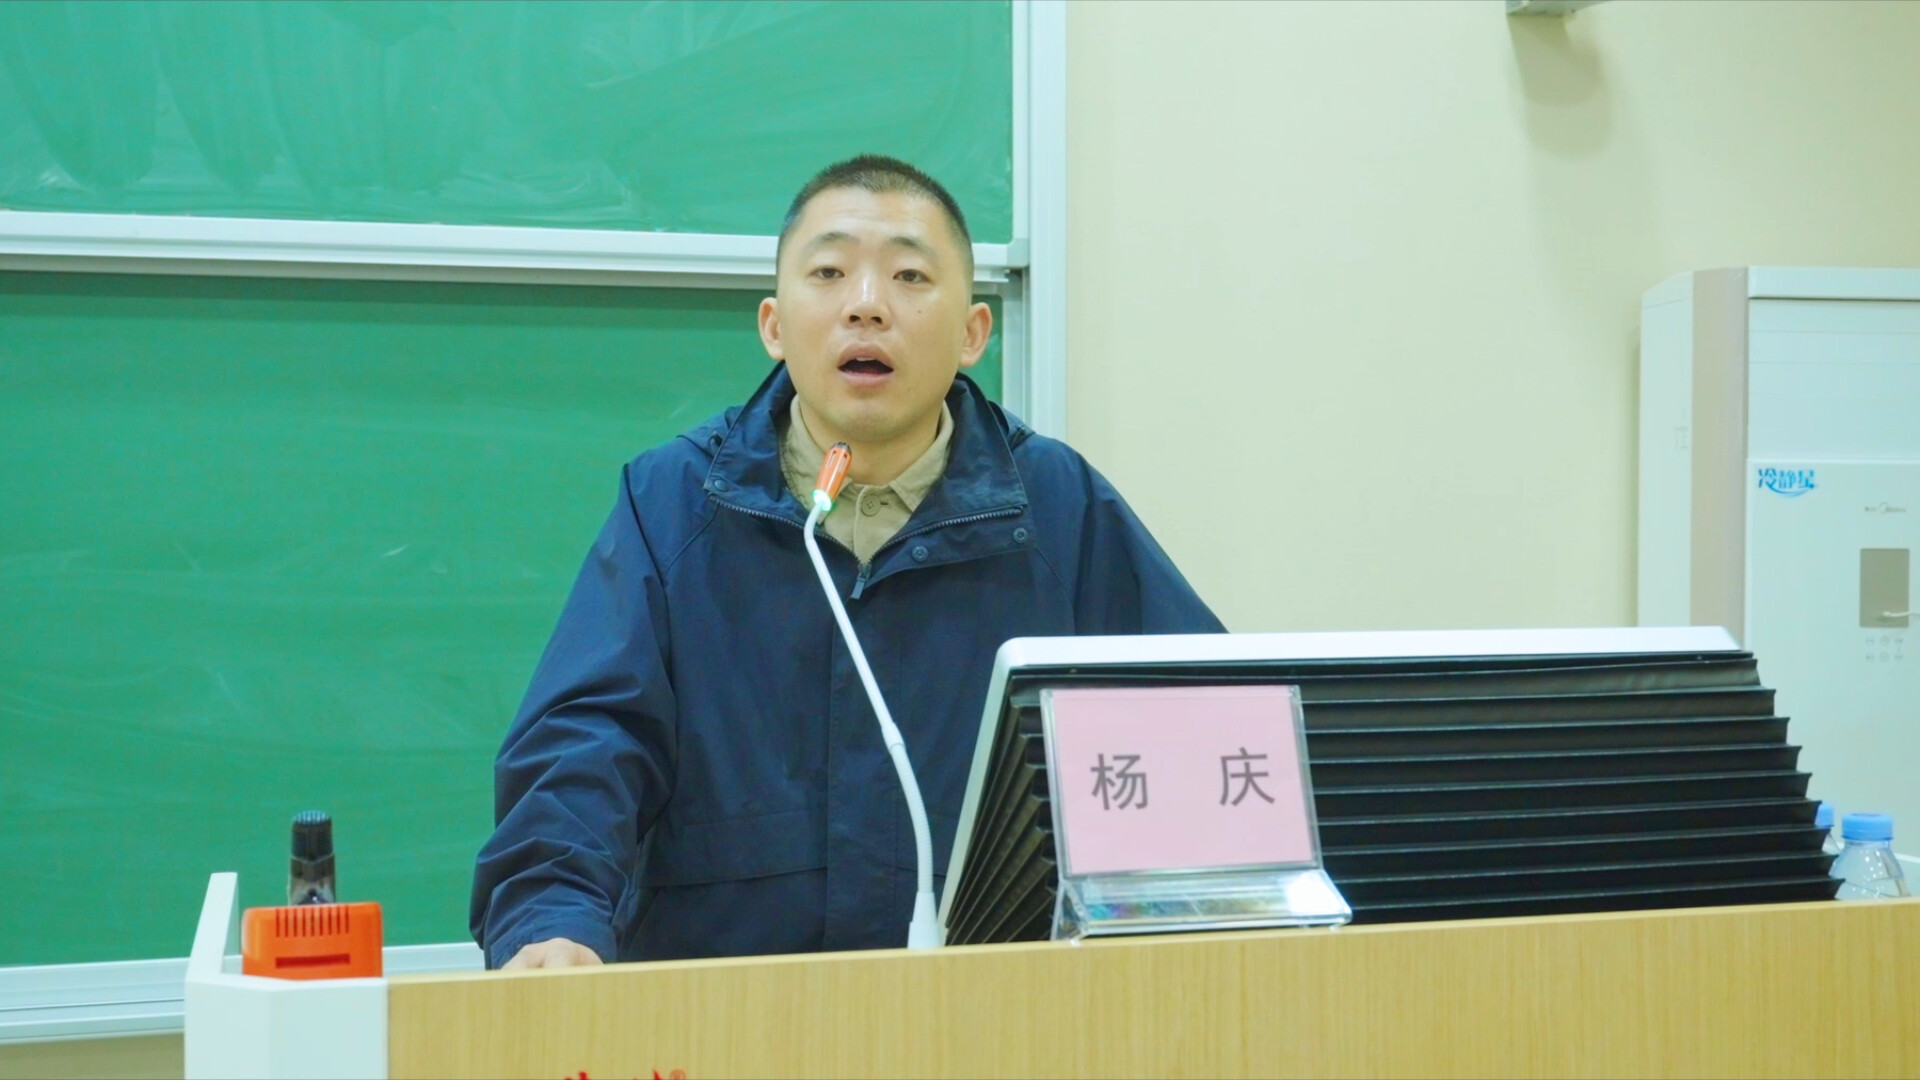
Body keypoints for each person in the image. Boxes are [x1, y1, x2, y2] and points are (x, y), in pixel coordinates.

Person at [471, 155, 1223, 969]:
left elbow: (1206, 729)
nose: (866, 305)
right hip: (724, 1004)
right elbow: (587, 742)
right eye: (829, 273)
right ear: (773, 325)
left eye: (909, 276)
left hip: (994, 1009)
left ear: (974, 333)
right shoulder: (675, 502)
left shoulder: (1056, 508)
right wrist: (553, 915)